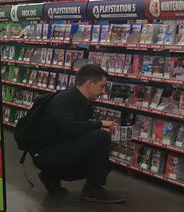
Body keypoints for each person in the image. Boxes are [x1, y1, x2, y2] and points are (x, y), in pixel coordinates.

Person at [30, 63, 125, 203]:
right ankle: (93, 189)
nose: (103, 91)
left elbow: (77, 128)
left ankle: (51, 176)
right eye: (102, 86)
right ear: (89, 83)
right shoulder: (64, 99)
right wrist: (99, 124)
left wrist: (96, 129)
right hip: (46, 154)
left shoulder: (79, 99)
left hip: (56, 149)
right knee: (101, 137)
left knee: (105, 163)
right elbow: (70, 128)